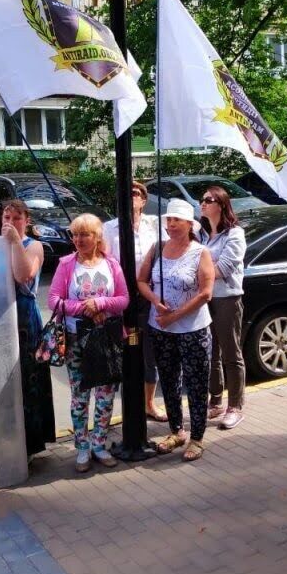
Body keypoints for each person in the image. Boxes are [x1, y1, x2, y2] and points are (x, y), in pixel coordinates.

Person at [48, 213, 129, 473]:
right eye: (75, 234)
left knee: (105, 396)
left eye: (85, 234)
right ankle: (82, 448)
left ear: (97, 238)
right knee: (79, 397)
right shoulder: (66, 264)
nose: (79, 239)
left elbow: (124, 298)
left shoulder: (111, 264)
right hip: (76, 339)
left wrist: (102, 303)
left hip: (106, 339)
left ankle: (99, 444)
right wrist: (82, 308)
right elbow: (53, 301)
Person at [137, 198, 215, 461]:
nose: (170, 225)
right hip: (160, 328)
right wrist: (154, 301)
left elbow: (206, 293)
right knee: (169, 380)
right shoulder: (157, 248)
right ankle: (177, 430)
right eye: (168, 220)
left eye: (175, 220)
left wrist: (175, 316)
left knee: (195, 383)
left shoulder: (200, 252)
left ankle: (197, 437)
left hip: (193, 329)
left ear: (188, 224)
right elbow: (141, 280)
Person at [104, 181, 168, 422]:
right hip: (122, 298)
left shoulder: (154, 225)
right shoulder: (110, 228)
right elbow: (106, 262)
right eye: (126, 193)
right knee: (126, 349)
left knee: (148, 351)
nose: (131, 197)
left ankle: (149, 404)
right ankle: (127, 407)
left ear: (143, 200)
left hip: (148, 295)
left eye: (136, 193)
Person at [1, 199, 56, 459]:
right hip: (0, 315)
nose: (10, 223)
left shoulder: (33, 246)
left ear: (27, 220)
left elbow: (23, 276)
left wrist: (14, 242)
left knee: (28, 378)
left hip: (24, 315)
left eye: (16, 218)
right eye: (7, 217)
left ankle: (31, 444)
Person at [200, 185, 247, 430]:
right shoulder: (202, 234)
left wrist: (201, 274)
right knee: (210, 353)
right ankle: (215, 400)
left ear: (222, 204)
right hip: (205, 299)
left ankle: (235, 406)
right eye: (202, 200)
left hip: (227, 299)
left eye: (209, 200)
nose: (204, 203)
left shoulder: (234, 234)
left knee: (231, 353)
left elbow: (225, 268)